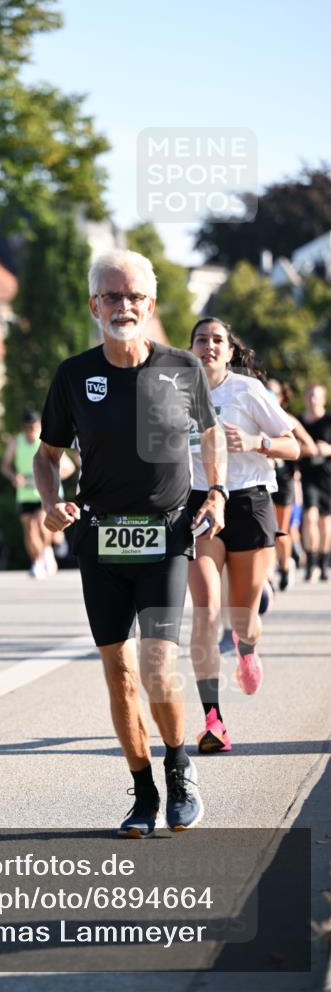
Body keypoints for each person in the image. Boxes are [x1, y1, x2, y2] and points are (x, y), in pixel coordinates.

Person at [34, 250, 226, 837]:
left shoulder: (181, 369)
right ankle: (142, 791)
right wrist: (51, 504)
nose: (124, 306)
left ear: (151, 304)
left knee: (158, 666)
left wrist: (215, 492)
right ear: (94, 305)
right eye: (112, 297)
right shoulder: (73, 375)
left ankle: (178, 767)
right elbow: (48, 458)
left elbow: (210, 433)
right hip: (99, 539)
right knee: (119, 669)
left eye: (135, 296)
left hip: (166, 537)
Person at [187, 319, 299, 756]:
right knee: (206, 608)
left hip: (249, 502)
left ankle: (247, 647)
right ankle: (213, 721)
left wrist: (256, 441)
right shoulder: (175, 393)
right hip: (199, 504)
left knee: (242, 615)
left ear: (230, 352)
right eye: (201, 340)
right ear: (190, 349)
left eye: (218, 341)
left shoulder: (248, 391)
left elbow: (293, 445)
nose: (209, 346)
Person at [1, 411, 75, 578]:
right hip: (25, 494)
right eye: (27, 428)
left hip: (46, 493)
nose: (31, 432)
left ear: (40, 426)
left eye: (34, 428)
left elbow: (69, 468)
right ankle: (38, 561)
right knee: (29, 529)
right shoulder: (15, 442)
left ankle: (49, 548)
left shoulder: (47, 443)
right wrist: (14, 477)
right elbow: (5, 466)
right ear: (23, 428)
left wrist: (52, 478)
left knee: (39, 523)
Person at [265, 379, 317, 590]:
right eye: (265, 390)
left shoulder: (288, 420)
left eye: (273, 393)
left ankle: (286, 565)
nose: (268, 395)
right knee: (264, 531)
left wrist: (284, 449)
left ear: (282, 398)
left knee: (281, 532)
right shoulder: (253, 415)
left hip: (283, 481)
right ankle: (267, 575)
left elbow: (310, 448)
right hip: (259, 481)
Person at [298, 383, 331, 582]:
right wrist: (308, 450)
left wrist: (326, 449)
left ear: (323, 399)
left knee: (325, 522)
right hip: (307, 476)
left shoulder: (329, 421)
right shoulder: (300, 421)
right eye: (309, 394)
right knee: (309, 517)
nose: (313, 399)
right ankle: (310, 562)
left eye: (316, 395)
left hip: (327, 476)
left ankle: (323, 562)